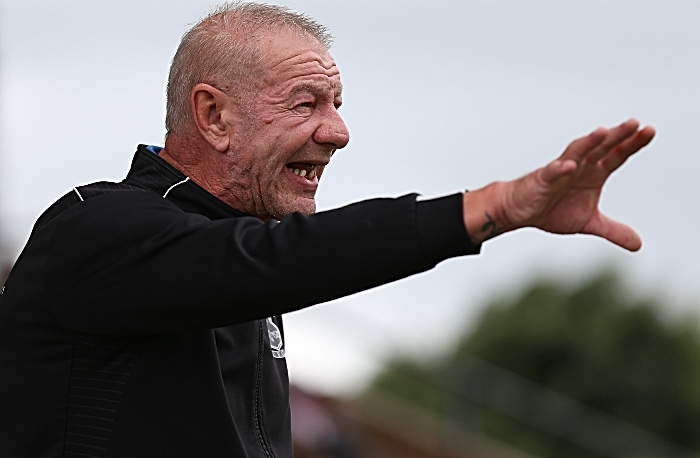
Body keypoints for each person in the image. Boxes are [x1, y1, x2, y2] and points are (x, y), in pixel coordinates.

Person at [0, 2, 655, 458]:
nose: (338, 132)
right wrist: (495, 207)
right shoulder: (95, 230)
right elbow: (277, 261)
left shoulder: (240, 256)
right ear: (214, 115)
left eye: (337, 104)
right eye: (306, 102)